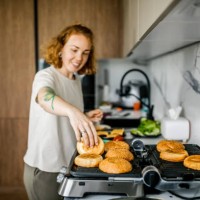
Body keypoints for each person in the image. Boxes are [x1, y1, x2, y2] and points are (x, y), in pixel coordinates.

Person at [23, 24, 103, 200]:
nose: (79, 57)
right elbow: (45, 98)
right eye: (74, 50)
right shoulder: (45, 76)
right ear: (60, 48)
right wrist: (74, 112)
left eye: (85, 52)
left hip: (67, 164)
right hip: (46, 169)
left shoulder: (76, 80)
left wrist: (84, 116)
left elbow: (63, 116)